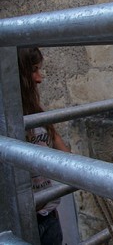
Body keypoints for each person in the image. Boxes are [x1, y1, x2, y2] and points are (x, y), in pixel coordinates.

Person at [18, 47, 71, 245]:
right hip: (22, 223)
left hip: (49, 216)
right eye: (33, 70)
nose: (39, 78)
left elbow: (64, 153)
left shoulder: (35, 111)